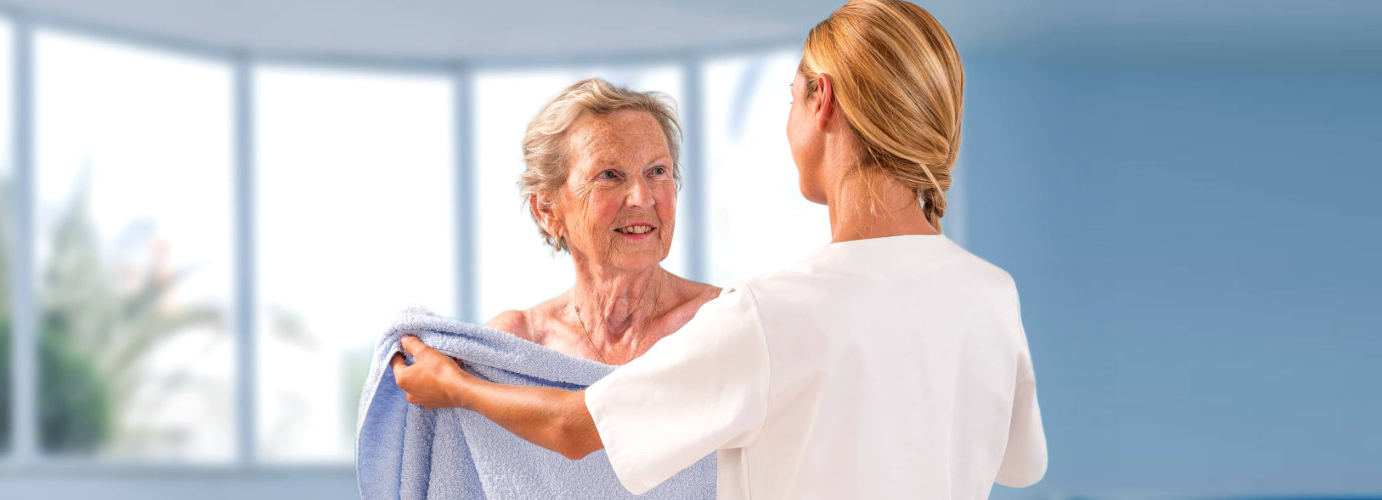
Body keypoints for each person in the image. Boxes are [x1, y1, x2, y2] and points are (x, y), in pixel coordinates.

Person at [392, 1, 1046, 497]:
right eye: (611, 176)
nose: (642, 198)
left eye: (792, 98)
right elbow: (1021, 464)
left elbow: (578, 430)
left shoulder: (768, 312)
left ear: (823, 102)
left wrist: (454, 387)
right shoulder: (992, 294)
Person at [493, 77, 721, 365]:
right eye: (609, 175)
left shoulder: (724, 320)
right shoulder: (516, 343)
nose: (642, 197)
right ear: (547, 211)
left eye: (657, 171)